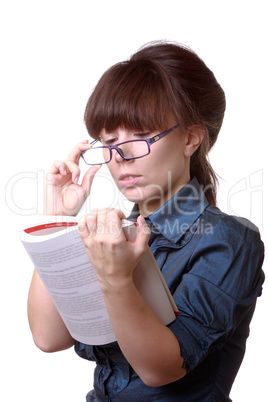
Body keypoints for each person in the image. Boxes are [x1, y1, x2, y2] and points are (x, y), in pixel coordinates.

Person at [27, 41, 265, 401]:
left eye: (140, 135)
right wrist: (58, 221)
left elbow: (161, 369)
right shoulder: (113, 235)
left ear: (190, 138)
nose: (121, 156)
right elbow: (48, 337)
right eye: (109, 140)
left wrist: (116, 279)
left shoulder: (228, 240)